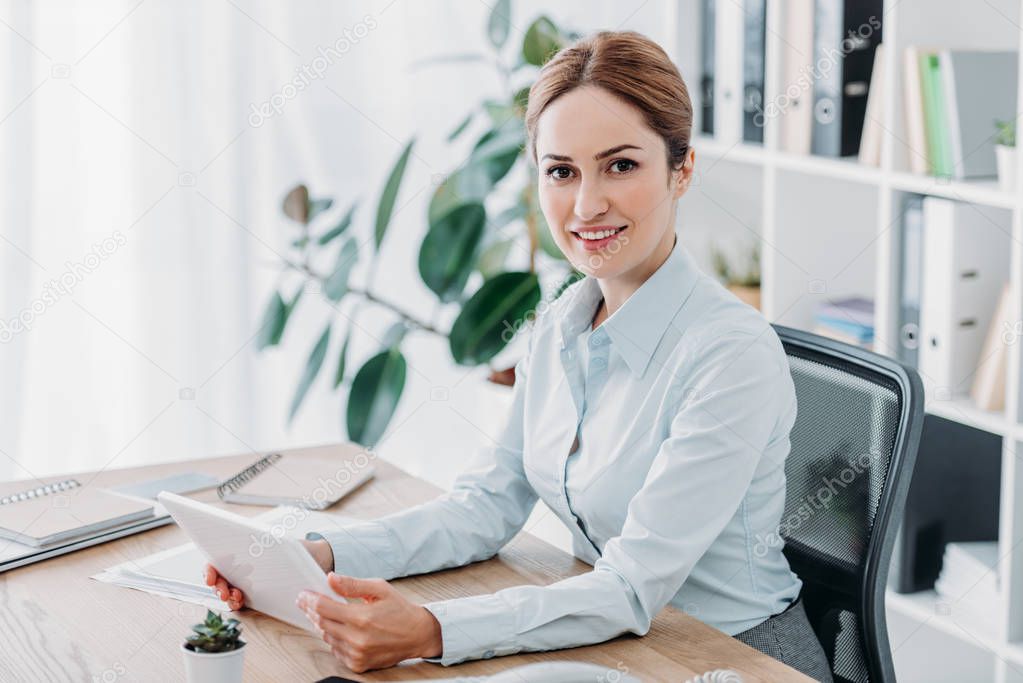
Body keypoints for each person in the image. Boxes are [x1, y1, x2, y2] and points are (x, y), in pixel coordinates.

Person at [206, 29, 833, 680]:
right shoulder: (561, 320)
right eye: (561, 170)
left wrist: (428, 628)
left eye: (620, 165)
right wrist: (316, 555)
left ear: (681, 170)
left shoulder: (728, 355)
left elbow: (630, 583)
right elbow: (484, 506)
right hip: (620, 641)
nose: (587, 204)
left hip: (735, 658)